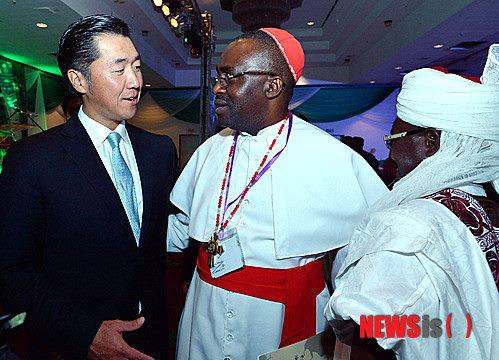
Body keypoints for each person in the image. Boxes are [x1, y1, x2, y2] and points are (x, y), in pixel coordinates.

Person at [167, 28, 387, 359]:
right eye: (218, 76)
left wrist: (353, 304)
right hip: (205, 305)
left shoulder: (330, 156)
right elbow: (181, 227)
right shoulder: (210, 150)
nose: (217, 87)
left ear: (272, 86)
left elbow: (366, 247)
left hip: (280, 315)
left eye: (230, 78)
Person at [0, 15, 178, 359]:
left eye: (137, 67)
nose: (135, 81)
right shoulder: (33, 159)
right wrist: (85, 334)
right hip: (72, 346)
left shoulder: (159, 152)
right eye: (119, 69)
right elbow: (12, 272)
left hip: (151, 340)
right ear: (79, 80)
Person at [325, 44, 499, 359]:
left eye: (393, 140)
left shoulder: (411, 225)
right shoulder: (489, 203)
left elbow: (360, 325)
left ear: (430, 142)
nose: (389, 152)